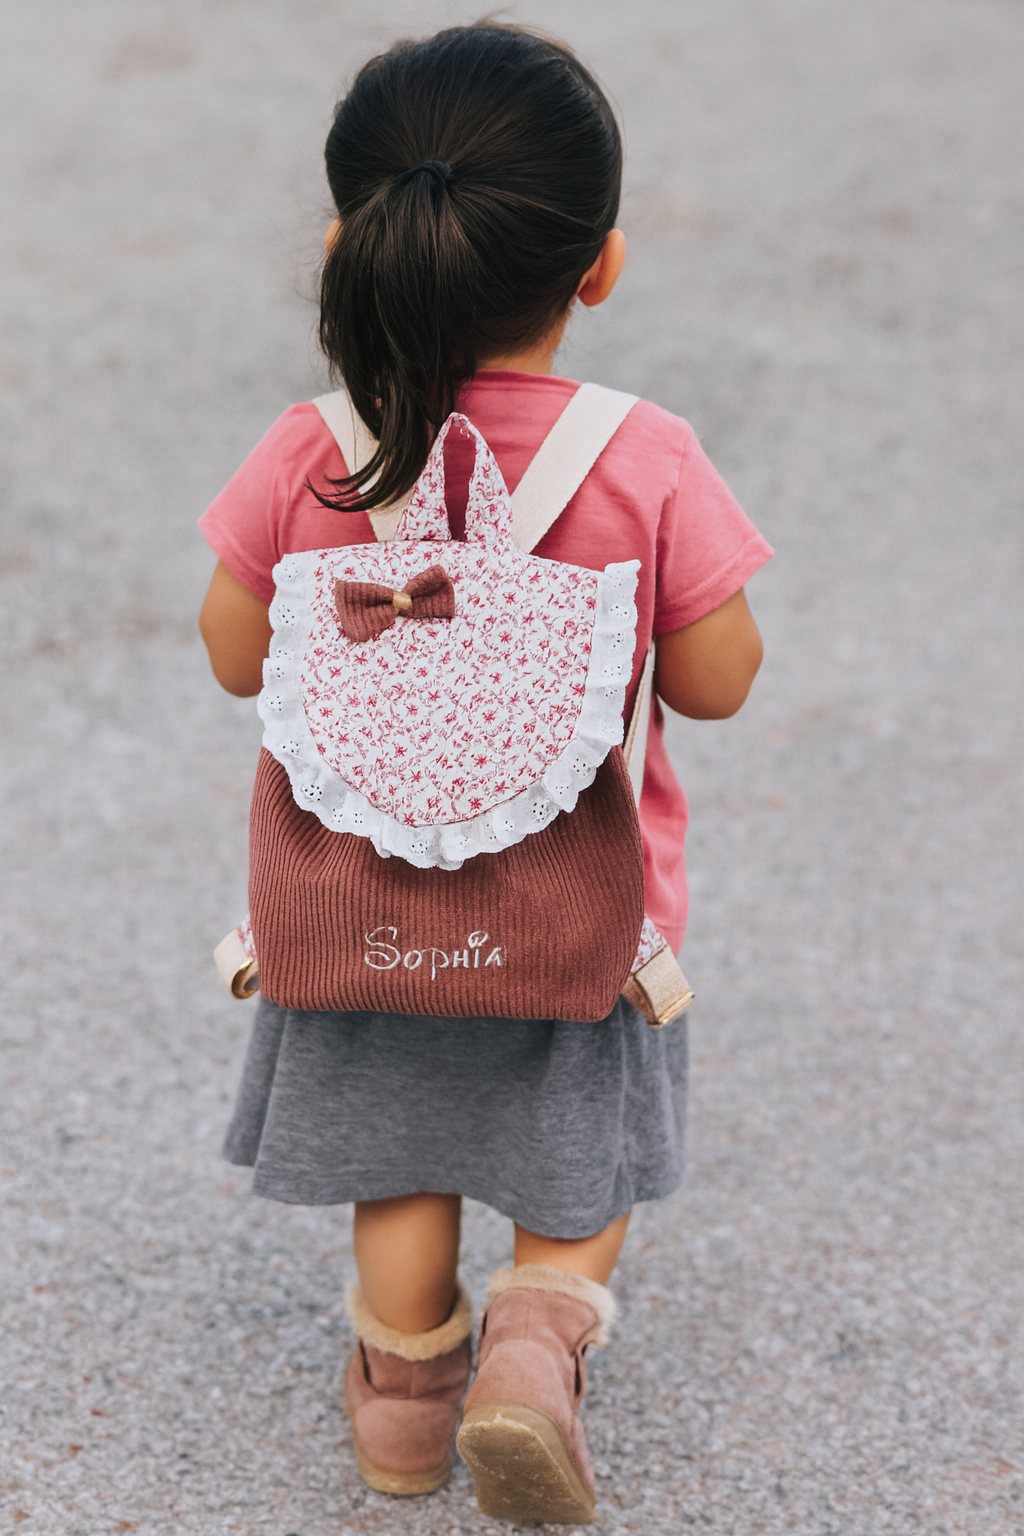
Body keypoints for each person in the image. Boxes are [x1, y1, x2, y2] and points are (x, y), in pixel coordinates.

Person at [197, 22, 771, 1526]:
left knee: (402, 1162)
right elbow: (717, 683)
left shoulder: (310, 449)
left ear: (349, 246)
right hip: (570, 922)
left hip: (360, 918)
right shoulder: (642, 456)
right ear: (601, 266)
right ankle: (539, 1339)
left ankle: (401, 1418)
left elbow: (232, 655)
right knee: (578, 1166)